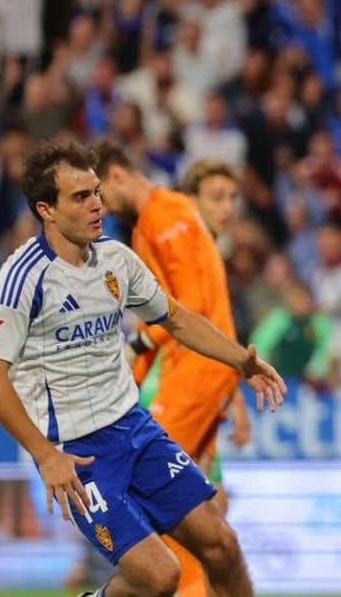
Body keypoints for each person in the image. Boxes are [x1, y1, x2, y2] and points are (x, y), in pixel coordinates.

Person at [0, 140, 287, 597]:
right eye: (80, 197)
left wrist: (242, 361)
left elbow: (176, 318)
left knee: (223, 545)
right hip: (78, 453)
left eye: (96, 191)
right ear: (47, 210)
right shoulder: (23, 279)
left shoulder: (116, 259)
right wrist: (45, 455)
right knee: (159, 577)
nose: (97, 204)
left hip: (136, 429)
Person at [90, 142, 242, 597]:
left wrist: (136, 343)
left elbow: (186, 307)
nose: (99, 207)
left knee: (159, 493)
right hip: (201, 371)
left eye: (99, 192)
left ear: (117, 175)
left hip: (195, 371)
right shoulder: (158, 219)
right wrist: (130, 375)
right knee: (201, 497)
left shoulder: (164, 212)